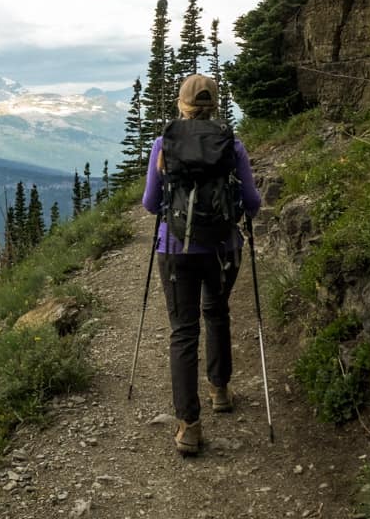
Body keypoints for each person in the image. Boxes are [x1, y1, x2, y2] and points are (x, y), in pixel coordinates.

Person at [142, 74, 261, 455]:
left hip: (176, 249)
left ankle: (189, 426)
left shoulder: (164, 144)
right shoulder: (232, 144)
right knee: (217, 312)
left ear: (182, 104)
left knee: (183, 331)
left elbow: (149, 203)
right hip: (223, 248)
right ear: (215, 105)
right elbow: (252, 201)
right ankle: (220, 390)